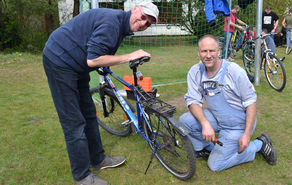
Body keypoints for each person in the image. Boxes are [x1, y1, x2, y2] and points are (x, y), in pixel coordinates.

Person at [42, 2, 159, 185]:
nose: (143, 24)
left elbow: (97, 51)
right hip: (60, 60)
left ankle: (98, 159)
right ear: (135, 9)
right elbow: (93, 59)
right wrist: (129, 56)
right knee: (74, 122)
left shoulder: (122, 25)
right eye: (143, 17)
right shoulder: (112, 23)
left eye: (149, 23)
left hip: (77, 63)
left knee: (89, 114)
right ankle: (82, 177)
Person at [179, 34, 277, 172]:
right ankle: (208, 148)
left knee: (215, 165)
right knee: (184, 121)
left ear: (219, 51)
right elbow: (192, 100)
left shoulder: (233, 71)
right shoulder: (195, 71)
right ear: (198, 52)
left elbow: (251, 102)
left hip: (238, 125)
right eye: (204, 51)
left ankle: (259, 144)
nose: (208, 55)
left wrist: (247, 135)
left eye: (212, 51)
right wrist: (205, 123)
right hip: (217, 117)